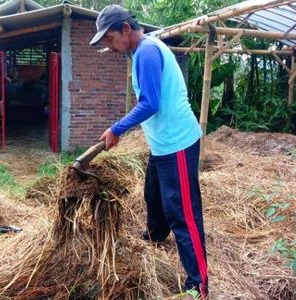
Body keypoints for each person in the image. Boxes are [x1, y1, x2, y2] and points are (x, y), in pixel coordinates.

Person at [90, 5, 208, 299]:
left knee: (183, 213)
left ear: (126, 30)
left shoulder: (147, 51)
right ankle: (156, 235)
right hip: (162, 143)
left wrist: (117, 129)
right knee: (153, 195)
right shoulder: (141, 52)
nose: (109, 45)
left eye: (109, 38)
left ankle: (199, 285)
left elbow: (150, 103)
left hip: (177, 143)